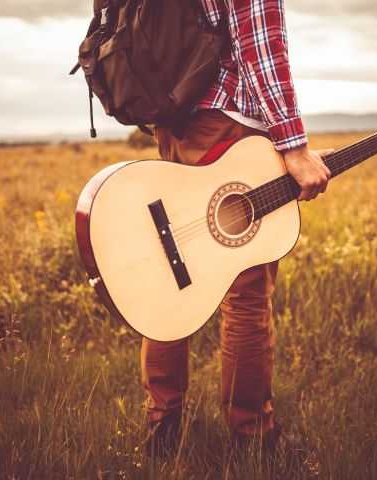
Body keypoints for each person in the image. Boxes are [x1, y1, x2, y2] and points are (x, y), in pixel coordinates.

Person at [142, 0, 332, 452]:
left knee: (173, 277)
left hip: (174, 121)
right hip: (226, 127)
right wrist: (294, 145)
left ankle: (162, 427)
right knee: (245, 290)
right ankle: (253, 436)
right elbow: (260, 45)